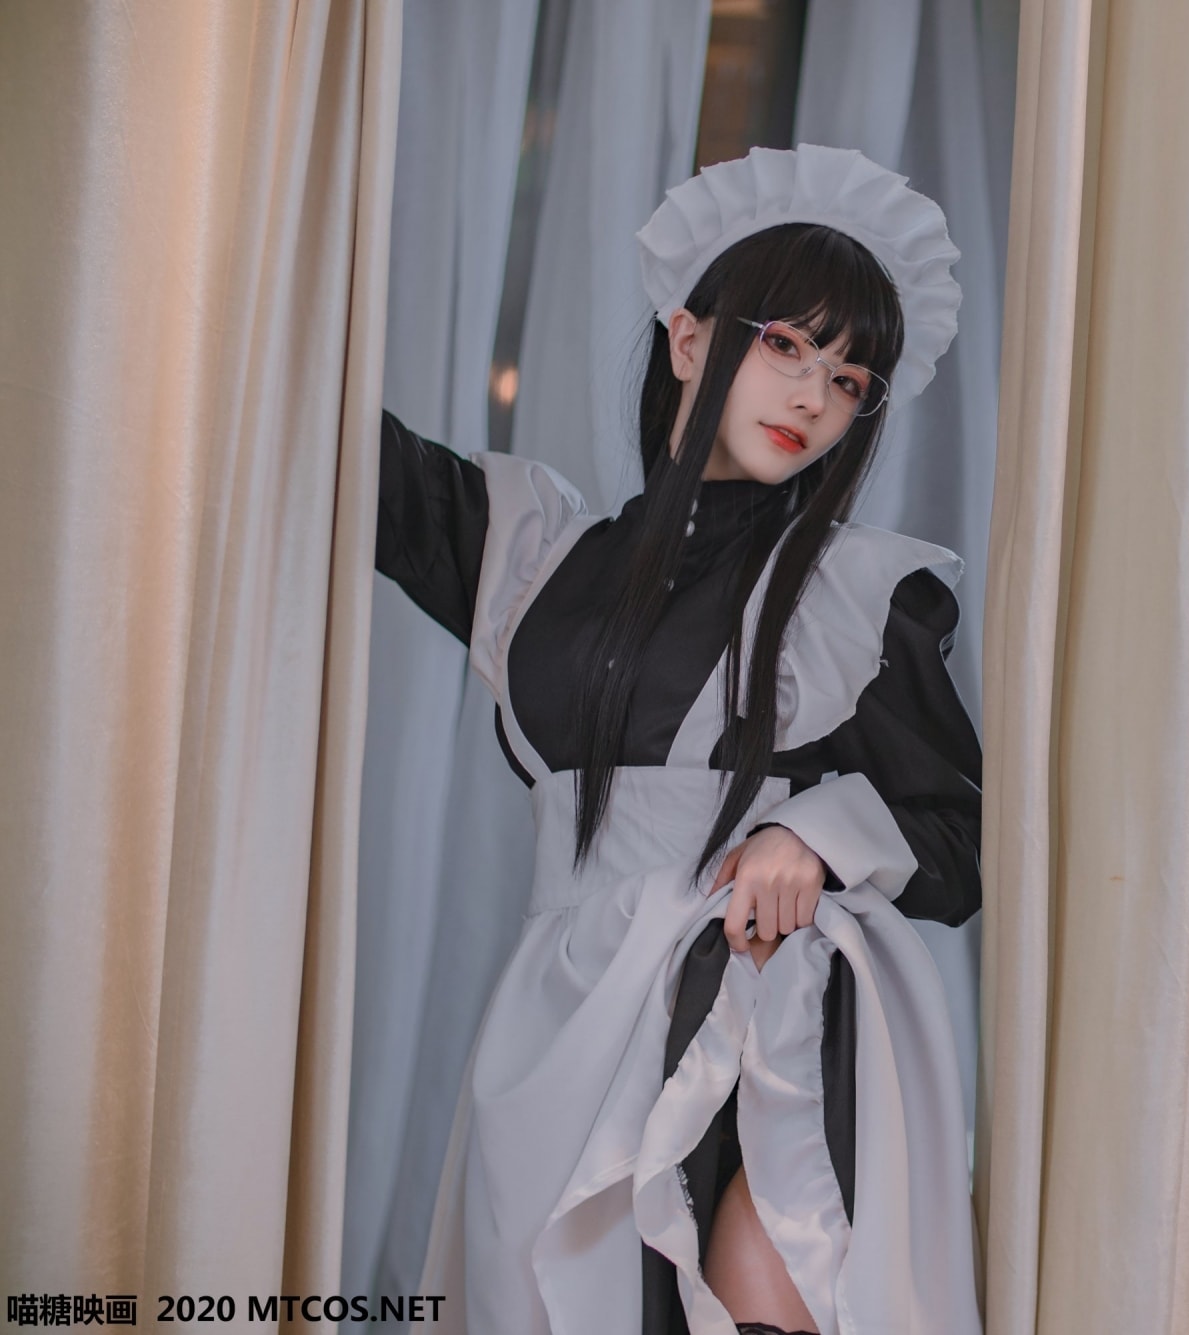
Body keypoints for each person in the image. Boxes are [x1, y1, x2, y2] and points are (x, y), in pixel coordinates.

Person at [372, 145, 983, 1335]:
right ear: (689, 340)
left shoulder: (860, 593)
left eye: (849, 378)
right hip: (561, 1025)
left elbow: (957, 843)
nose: (813, 397)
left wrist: (813, 833)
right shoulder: (533, 556)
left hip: (765, 1009)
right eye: (786, 345)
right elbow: (333, 447)